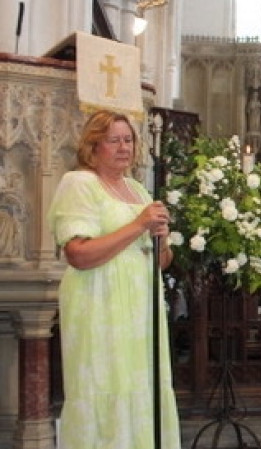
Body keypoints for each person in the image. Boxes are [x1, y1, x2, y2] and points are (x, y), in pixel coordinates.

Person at [46, 110, 181, 448]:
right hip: (99, 304)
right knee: (103, 386)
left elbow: (162, 263)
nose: (124, 147)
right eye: (113, 140)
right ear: (94, 146)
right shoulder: (80, 183)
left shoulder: (137, 189)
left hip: (139, 310)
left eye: (128, 139)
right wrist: (138, 225)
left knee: (141, 388)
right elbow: (77, 253)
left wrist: (162, 238)